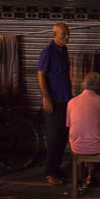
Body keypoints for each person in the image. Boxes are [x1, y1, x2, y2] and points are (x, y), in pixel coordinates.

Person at [66, 71, 100, 192]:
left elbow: (69, 125)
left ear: (83, 85)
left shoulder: (71, 102)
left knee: (88, 140)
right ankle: (93, 176)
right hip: (98, 147)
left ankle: (80, 179)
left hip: (76, 146)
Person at [38, 22, 72, 186]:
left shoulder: (64, 51)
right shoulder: (48, 52)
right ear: (54, 34)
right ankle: (50, 172)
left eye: (67, 34)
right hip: (53, 101)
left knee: (62, 136)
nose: (66, 37)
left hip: (65, 100)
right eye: (63, 34)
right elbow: (41, 75)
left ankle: (57, 167)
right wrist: (46, 98)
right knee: (53, 138)